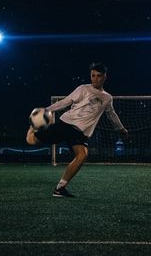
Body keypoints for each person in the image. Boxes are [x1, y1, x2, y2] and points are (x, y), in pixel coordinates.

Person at [26, 62, 128, 197]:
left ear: (105, 77)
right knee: (31, 141)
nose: (95, 79)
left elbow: (112, 115)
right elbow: (65, 102)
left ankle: (60, 188)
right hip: (65, 125)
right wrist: (45, 111)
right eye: (93, 76)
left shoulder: (107, 98)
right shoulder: (83, 89)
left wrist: (121, 129)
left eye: (98, 76)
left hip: (79, 133)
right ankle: (32, 127)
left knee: (82, 155)